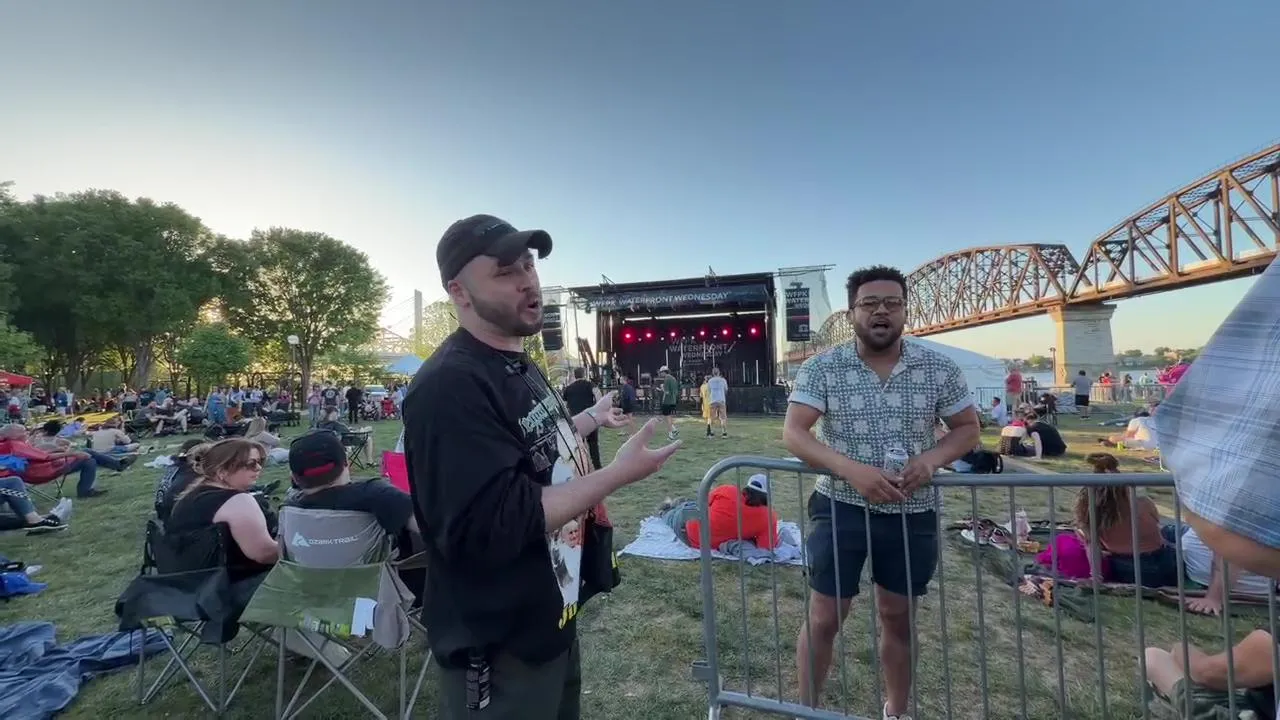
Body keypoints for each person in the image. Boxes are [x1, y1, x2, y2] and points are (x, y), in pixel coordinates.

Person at [403, 214, 680, 720]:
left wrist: (590, 419)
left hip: (548, 618)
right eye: (506, 271)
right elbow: (500, 518)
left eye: (529, 265)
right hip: (498, 646)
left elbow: (532, 445)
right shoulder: (450, 385)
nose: (528, 280)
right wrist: (619, 473)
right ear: (459, 292)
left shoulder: (516, 360)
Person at [784, 265, 980, 720]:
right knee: (824, 617)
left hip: (913, 510)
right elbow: (794, 433)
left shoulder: (938, 367)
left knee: (897, 617)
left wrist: (930, 460)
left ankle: (896, 711)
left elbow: (967, 428)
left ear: (906, 311)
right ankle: (807, 712)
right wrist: (850, 470)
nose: (881, 312)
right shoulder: (823, 367)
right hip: (840, 506)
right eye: (869, 303)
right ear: (852, 312)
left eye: (892, 303)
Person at [165, 438, 278, 582]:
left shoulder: (192, 495)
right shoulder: (237, 501)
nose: (258, 468)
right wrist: (298, 549)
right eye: (251, 463)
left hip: (190, 583)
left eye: (260, 461)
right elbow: (264, 553)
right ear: (222, 471)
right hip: (232, 586)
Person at [1076, 453, 1177, 586]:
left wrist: (1095, 577)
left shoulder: (1093, 514)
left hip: (1133, 570)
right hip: (1169, 565)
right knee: (1169, 531)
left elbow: (1092, 546)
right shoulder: (1143, 502)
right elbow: (1156, 526)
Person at [661, 473, 778, 550]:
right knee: (686, 507)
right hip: (698, 542)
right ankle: (677, 504)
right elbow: (767, 546)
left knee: (675, 512)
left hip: (687, 526)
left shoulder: (727, 490)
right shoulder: (769, 517)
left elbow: (703, 503)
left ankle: (669, 507)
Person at [561, 367, 604, 470]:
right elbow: (598, 395)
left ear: (575, 375)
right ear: (584, 374)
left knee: (578, 446)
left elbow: (564, 404)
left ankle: (582, 468)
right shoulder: (589, 384)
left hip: (576, 421)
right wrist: (596, 408)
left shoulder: (568, 388)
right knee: (593, 445)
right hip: (590, 418)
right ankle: (597, 467)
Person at [657, 366, 680, 440]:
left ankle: (671, 435)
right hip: (673, 400)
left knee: (667, 418)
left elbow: (666, 392)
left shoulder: (667, 379)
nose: (660, 374)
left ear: (664, 372)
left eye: (661, 372)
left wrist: (661, 388)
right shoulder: (673, 378)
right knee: (668, 417)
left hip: (667, 401)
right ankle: (674, 430)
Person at [706, 367, 729, 438]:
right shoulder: (723, 380)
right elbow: (726, 390)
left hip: (713, 400)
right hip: (721, 400)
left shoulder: (710, 381)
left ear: (713, 373)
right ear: (719, 372)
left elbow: (709, 391)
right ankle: (724, 433)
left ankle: (711, 433)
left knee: (712, 417)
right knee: (723, 417)